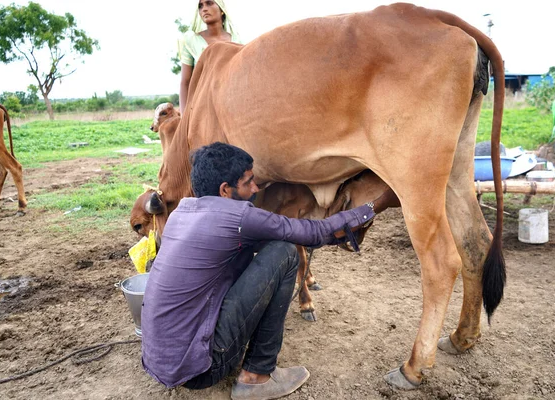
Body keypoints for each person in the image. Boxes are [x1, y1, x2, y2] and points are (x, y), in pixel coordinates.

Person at [141, 142, 390, 399]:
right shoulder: (240, 217)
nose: (256, 189)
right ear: (225, 190)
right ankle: (257, 376)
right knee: (283, 252)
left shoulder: (181, 213)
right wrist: (377, 204)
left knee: (264, 253)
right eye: (248, 182)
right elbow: (314, 232)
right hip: (201, 369)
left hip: (161, 362)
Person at [178, 0, 241, 113]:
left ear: (221, 9)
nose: (204, 9)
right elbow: (185, 82)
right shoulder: (191, 40)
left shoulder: (237, 40)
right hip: (203, 108)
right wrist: (184, 117)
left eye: (209, 3)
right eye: (200, 6)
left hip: (233, 104)